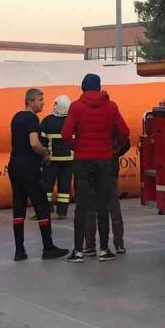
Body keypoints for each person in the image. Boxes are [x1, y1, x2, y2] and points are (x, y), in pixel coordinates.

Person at [62, 73, 130, 263]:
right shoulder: (111, 106)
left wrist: (77, 146)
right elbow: (124, 131)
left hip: (83, 161)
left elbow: (66, 133)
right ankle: (104, 249)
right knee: (103, 205)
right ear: (100, 87)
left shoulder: (76, 107)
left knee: (82, 206)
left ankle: (78, 250)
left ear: (83, 88)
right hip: (104, 161)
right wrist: (112, 146)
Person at [8, 88, 68, 262]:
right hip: (29, 168)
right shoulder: (32, 118)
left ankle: (19, 250)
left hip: (14, 166)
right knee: (42, 206)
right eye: (40, 100)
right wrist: (45, 155)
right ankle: (48, 247)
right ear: (31, 101)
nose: (43, 103)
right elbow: (34, 143)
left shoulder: (16, 118)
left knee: (18, 207)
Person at [85, 128, 131, 256]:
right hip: (110, 166)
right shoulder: (111, 115)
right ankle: (119, 244)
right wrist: (115, 152)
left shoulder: (85, 115)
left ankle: (90, 246)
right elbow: (126, 139)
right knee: (113, 206)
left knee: (91, 208)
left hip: (91, 165)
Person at [40, 94, 73, 219]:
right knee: (64, 187)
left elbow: (41, 140)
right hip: (68, 160)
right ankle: (62, 213)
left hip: (51, 160)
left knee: (47, 186)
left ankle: (46, 209)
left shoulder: (47, 121)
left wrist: (43, 156)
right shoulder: (72, 121)